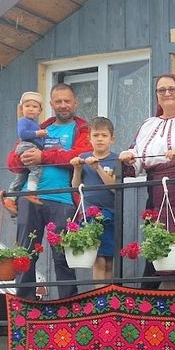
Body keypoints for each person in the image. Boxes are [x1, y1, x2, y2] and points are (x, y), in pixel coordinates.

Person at [119, 74, 175, 290]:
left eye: (172, 89)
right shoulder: (148, 124)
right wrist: (128, 158)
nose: (167, 93)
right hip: (158, 188)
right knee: (163, 244)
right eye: (161, 90)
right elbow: (136, 154)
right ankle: (171, 302)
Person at [5, 83, 91, 299]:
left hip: (63, 198)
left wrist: (43, 156)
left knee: (62, 255)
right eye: (58, 101)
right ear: (51, 104)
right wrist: (24, 158)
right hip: (29, 197)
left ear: (75, 103)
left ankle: (67, 304)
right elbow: (12, 163)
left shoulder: (82, 129)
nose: (63, 105)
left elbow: (81, 155)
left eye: (67, 101)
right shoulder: (40, 127)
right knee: (25, 252)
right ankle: (25, 302)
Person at [71, 116, 119, 282]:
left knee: (109, 261)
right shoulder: (83, 157)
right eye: (96, 135)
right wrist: (77, 169)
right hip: (90, 214)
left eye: (104, 135)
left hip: (111, 214)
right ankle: (100, 296)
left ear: (112, 139)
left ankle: (108, 295)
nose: (100, 139)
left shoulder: (116, 159)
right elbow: (76, 187)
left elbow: (113, 187)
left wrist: (97, 167)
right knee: (98, 259)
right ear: (89, 138)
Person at [4, 91, 48, 205]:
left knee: (23, 174)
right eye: (27, 106)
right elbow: (22, 134)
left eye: (34, 107)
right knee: (36, 169)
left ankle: (10, 198)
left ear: (40, 111)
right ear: (22, 109)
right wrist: (38, 133)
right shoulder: (23, 121)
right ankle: (31, 192)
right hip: (27, 146)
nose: (31, 109)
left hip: (30, 146)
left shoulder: (34, 123)